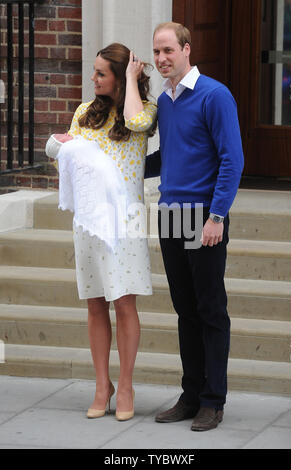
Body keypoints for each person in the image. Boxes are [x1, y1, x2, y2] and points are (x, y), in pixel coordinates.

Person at [46, 43, 157, 421]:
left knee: (124, 303)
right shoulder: (83, 112)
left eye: (101, 73)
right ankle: (101, 385)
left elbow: (138, 124)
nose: (92, 79)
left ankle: (125, 386)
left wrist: (130, 80)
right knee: (95, 303)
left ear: (120, 76)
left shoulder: (143, 111)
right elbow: (69, 160)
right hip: (90, 222)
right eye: (94, 72)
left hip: (125, 222)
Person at [145, 22, 244, 431]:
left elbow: (231, 160)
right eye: (156, 52)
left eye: (168, 50)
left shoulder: (214, 95)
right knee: (185, 310)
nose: (162, 59)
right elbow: (169, 155)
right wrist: (120, 167)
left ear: (187, 49)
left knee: (210, 310)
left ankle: (212, 400)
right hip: (171, 213)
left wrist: (217, 216)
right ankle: (190, 395)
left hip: (203, 215)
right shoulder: (166, 100)